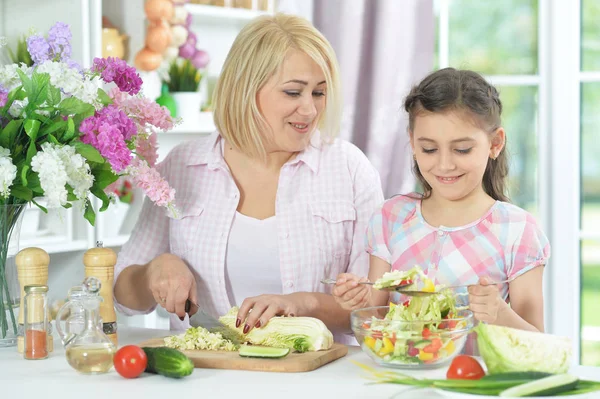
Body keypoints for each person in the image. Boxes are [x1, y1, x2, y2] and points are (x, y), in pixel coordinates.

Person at [112, 13, 384, 342]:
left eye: (319, 93)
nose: (310, 110)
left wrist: (303, 303)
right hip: (202, 380)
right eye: (293, 93)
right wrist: (156, 270)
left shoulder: (349, 169)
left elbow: (374, 309)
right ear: (246, 90)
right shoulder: (183, 166)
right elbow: (122, 294)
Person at [333, 68, 550, 338]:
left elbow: (537, 342)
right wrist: (357, 299)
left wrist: (499, 312)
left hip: (472, 378)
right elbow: (376, 314)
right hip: (401, 377)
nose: (445, 164)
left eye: (462, 149)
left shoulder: (517, 230)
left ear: (495, 143)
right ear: (412, 143)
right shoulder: (391, 217)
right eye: (429, 149)